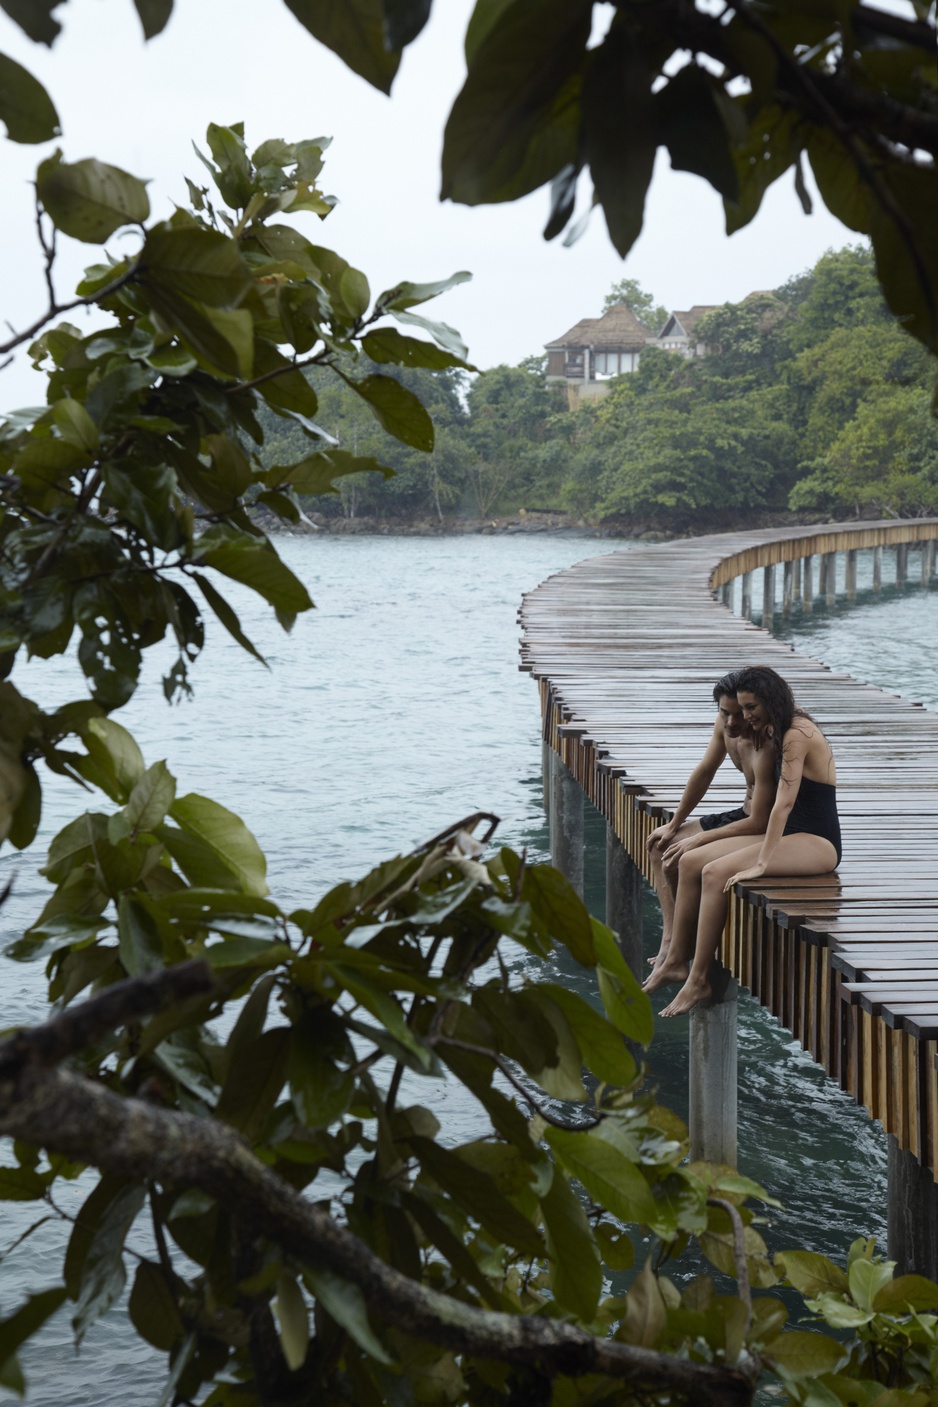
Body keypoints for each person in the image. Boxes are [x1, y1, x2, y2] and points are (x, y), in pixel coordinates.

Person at [648, 665, 842, 1016]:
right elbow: (713, 769)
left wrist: (761, 862)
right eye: (740, 708)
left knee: (714, 872)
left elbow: (782, 803)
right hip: (789, 834)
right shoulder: (778, 726)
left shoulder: (796, 733)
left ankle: (698, 978)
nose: (745, 716)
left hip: (815, 840)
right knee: (694, 861)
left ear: (770, 701)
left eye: (751, 707)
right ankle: (679, 958)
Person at [645, 672, 776, 977]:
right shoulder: (725, 728)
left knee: (685, 856)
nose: (731, 722)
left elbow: (763, 818)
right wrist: (674, 824)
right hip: (740, 814)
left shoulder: (766, 738)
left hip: (761, 826)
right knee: (659, 845)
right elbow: (705, 771)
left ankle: (685, 947)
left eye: (738, 714)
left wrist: (700, 840)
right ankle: (672, 938)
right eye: (724, 713)